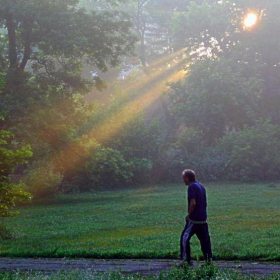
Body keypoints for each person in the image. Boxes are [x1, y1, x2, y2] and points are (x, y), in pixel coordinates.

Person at [180, 169, 213, 266]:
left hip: (194, 219)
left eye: (184, 178)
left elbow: (193, 203)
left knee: (184, 238)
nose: (183, 180)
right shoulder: (201, 186)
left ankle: (186, 261)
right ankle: (208, 261)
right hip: (203, 219)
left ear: (187, 178)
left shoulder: (191, 187)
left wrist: (189, 215)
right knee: (205, 240)